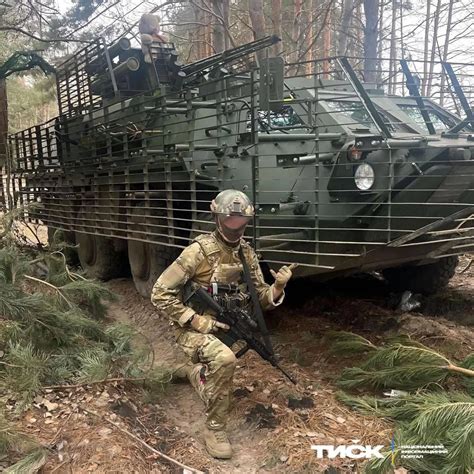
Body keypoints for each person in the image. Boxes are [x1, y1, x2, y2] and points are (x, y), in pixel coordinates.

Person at [151, 189, 294, 459]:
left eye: (241, 221)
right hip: (192, 329)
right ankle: (215, 428)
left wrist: (277, 287)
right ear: (217, 217)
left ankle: (195, 374)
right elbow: (159, 293)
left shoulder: (247, 254)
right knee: (225, 360)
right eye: (230, 220)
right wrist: (195, 320)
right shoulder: (198, 252)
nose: (235, 226)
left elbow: (261, 299)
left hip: (225, 327)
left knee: (222, 361)